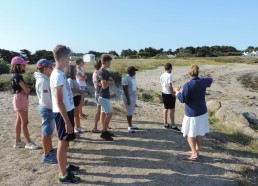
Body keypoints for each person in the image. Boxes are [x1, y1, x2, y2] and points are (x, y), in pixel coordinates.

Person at [50, 45, 81, 183]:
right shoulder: (57, 75)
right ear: (62, 58)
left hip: (67, 112)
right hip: (62, 114)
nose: (70, 60)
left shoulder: (61, 73)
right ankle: (63, 174)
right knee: (62, 143)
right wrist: (67, 122)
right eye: (68, 57)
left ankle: (65, 165)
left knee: (65, 142)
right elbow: (59, 101)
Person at [175, 64, 213, 161]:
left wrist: (177, 92)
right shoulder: (203, 82)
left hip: (191, 113)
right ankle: (196, 150)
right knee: (199, 132)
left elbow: (182, 99)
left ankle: (194, 153)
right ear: (198, 72)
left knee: (190, 134)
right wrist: (200, 79)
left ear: (189, 73)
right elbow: (211, 79)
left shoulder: (187, 85)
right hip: (202, 111)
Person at [11, 56, 38, 150]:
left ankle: (18, 141)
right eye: (23, 64)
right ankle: (28, 142)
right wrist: (27, 90)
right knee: (25, 122)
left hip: (18, 98)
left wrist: (26, 90)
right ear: (18, 65)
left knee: (19, 121)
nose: (24, 65)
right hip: (21, 99)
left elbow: (23, 90)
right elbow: (26, 90)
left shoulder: (14, 76)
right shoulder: (18, 76)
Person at [34, 59, 57, 163]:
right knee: (46, 133)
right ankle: (47, 155)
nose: (52, 68)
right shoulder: (43, 81)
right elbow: (47, 99)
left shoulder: (45, 79)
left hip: (48, 108)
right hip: (47, 109)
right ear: (45, 68)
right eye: (50, 67)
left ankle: (50, 150)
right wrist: (56, 107)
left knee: (48, 132)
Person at [97, 54, 115, 141]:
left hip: (105, 96)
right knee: (109, 113)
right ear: (106, 62)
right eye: (110, 62)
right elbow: (104, 86)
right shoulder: (101, 72)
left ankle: (104, 130)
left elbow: (113, 82)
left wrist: (106, 82)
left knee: (104, 113)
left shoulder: (106, 72)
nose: (110, 63)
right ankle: (104, 132)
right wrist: (107, 82)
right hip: (102, 96)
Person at [160, 63, 180, 131]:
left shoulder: (162, 75)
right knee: (172, 109)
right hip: (169, 94)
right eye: (171, 68)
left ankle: (165, 123)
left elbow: (162, 84)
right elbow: (170, 86)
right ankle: (173, 125)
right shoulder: (169, 75)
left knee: (165, 108)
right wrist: (172, 94)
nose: (171, 70)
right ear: (170, 68)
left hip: (163, 93)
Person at [67, 65, 86, 133]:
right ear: (71, 71)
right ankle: (73, 127)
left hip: (77, 97)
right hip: (73, 98)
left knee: (76, 114)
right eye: (75, 70)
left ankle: (78, 126)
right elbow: (71, 89)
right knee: (73, 114)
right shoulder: (70, 80)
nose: (76, 71)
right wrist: (79, 91)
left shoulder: (74, 79)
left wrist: (80, 91)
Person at [122, 66, 139, 133]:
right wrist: (128, 99)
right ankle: (129, 127)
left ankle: (131, 125)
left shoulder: (133, 77)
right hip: (128, 97)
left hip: (133, 96)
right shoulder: (126, 79)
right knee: (129, 111)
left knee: (131, 111)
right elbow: (125, 90)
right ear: (131, 72)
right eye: (134, 71)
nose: (135, 72)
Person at [91, 60, 102, 133]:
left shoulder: (94, 73)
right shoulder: (98, 73)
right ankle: (95, 127)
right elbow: (100, 85)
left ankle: (103, 125)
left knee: (101, 111)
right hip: (99, 94)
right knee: (99, 111)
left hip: (97, 93)